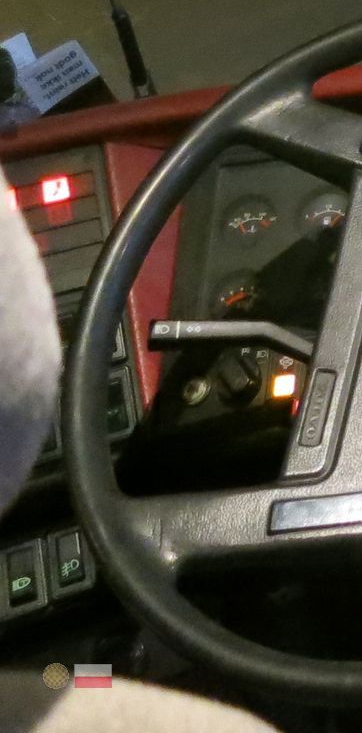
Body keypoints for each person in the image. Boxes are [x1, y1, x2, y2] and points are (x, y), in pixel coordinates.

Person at [0, 186, 274, 733]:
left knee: (68, 673)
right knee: (80, 673)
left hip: (48, 677)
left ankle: (105, 672)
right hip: (55, 674)